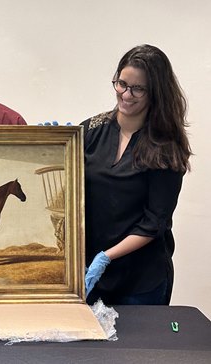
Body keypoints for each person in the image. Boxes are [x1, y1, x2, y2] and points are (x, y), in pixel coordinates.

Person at [82, 44, 192, 305]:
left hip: (141, 280)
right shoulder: (90, 129)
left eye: (138, 89)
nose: (126, 94)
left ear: (156, 93)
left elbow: (155, 222)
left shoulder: (166, 147)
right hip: (90, 274)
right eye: (121, 84)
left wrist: (106, 257)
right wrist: (53, 146)